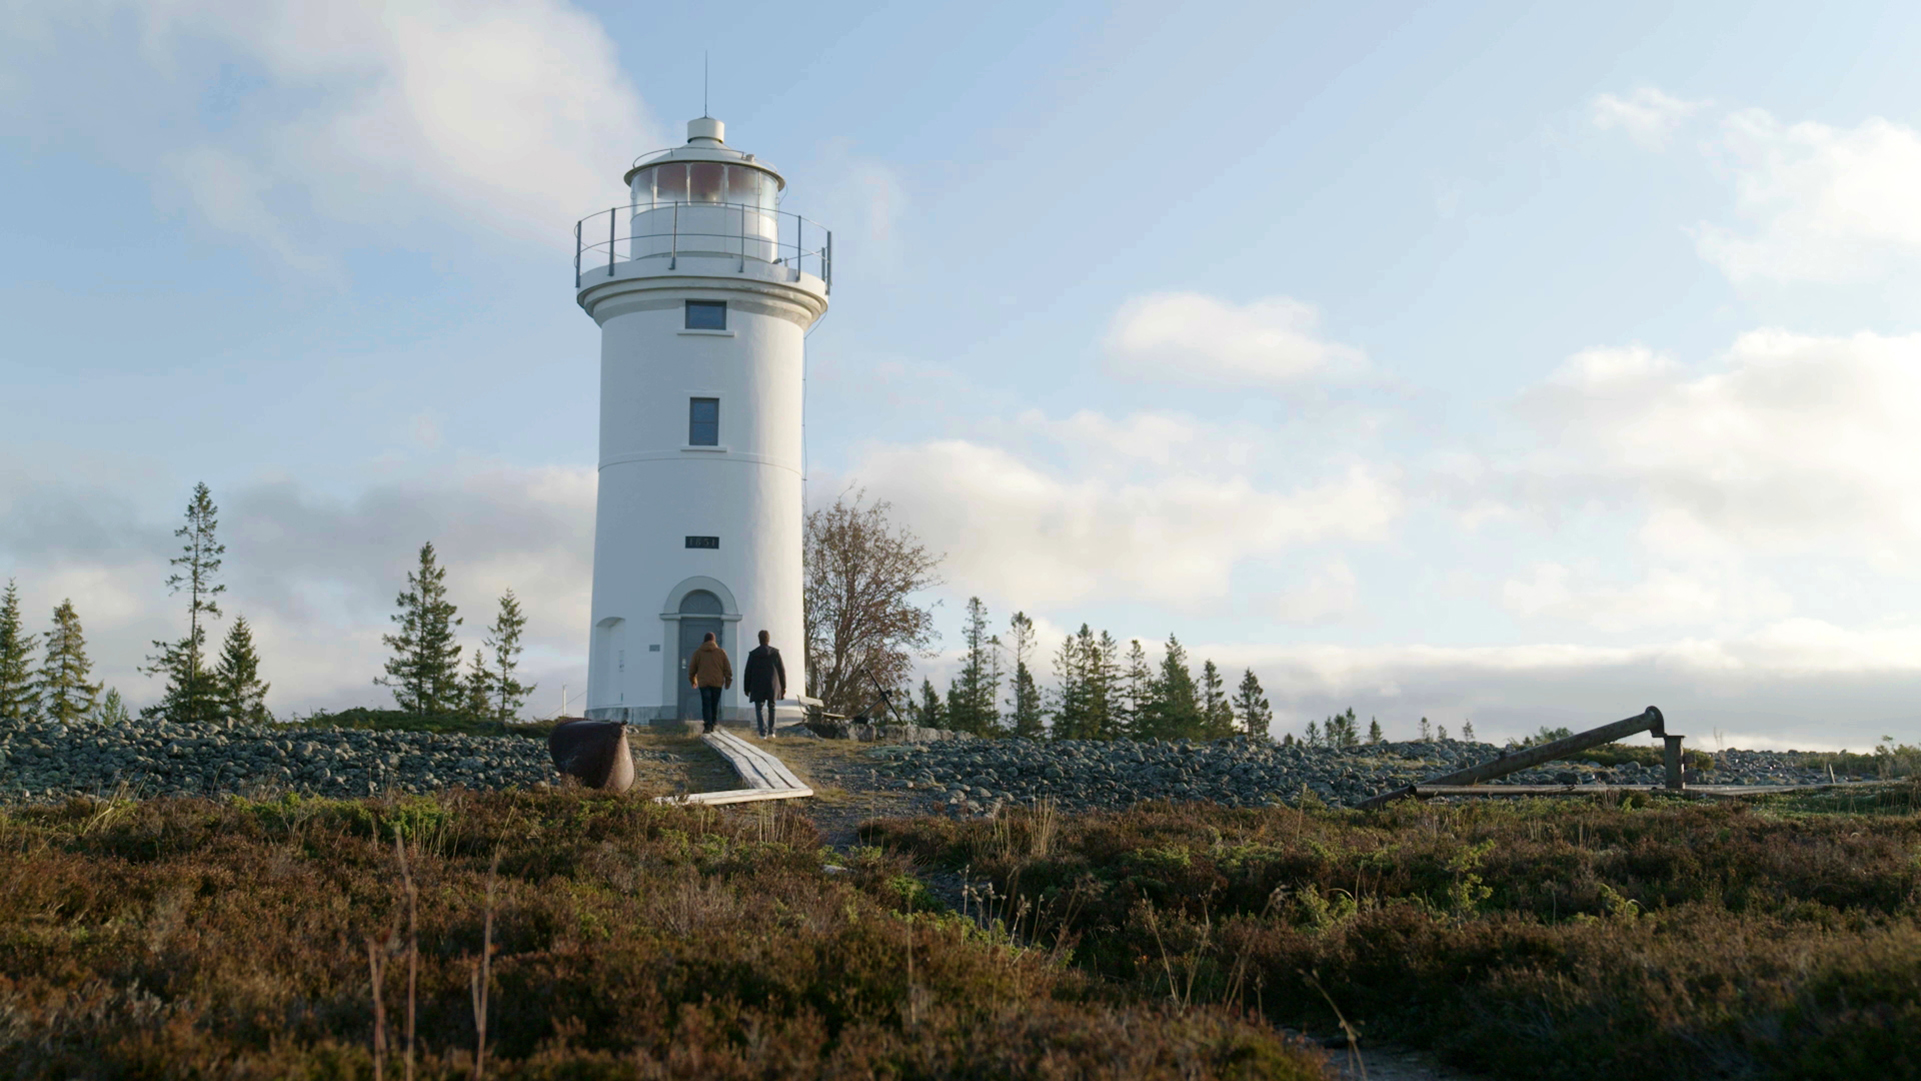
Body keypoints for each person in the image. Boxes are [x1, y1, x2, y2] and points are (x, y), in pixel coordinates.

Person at [742, 629, 788, 738]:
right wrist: (783, 686)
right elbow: (781, 670)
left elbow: (747, 672)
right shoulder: (775, 653)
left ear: (759, 639)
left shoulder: (753, 654)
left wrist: (746, 688)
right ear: (768, 639)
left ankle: (762, 733)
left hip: (757, 685)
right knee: (772, 706)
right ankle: (772, 732)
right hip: (772, 684)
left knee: (759, 708)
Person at [687, 631, 732, 733]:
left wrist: (693, 680)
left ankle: (708, 724)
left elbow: (692, 669)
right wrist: (728, 681)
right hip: (717, 683)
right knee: (714, 704)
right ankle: (714, 723)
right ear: (714, 640)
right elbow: (727, 669)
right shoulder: (721, 653)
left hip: (704, 683)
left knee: (706, 703)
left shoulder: (698, 653)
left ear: (704, 640)